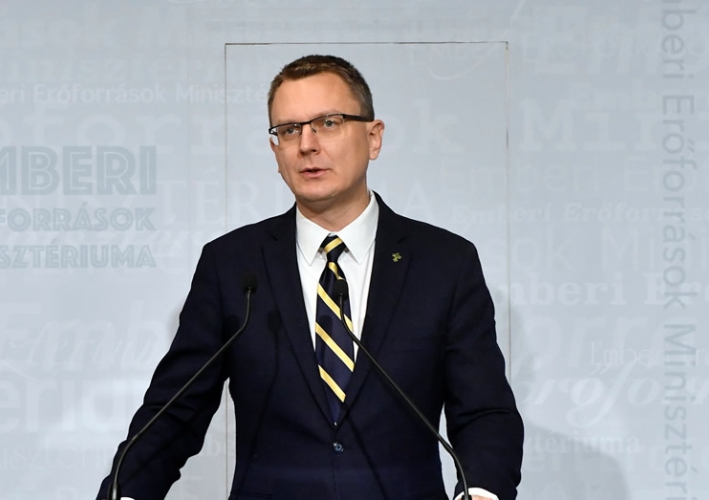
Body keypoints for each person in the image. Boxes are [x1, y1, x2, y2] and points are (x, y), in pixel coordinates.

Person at [97, 54, 523, 500]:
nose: (306, 144)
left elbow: (484, 413)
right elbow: (174, 412)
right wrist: (126, 492)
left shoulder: (444, 263)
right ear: (275, 151)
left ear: (373, 137)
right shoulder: (232, 265)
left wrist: (481, 492)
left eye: (329, 123)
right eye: (288, 130)